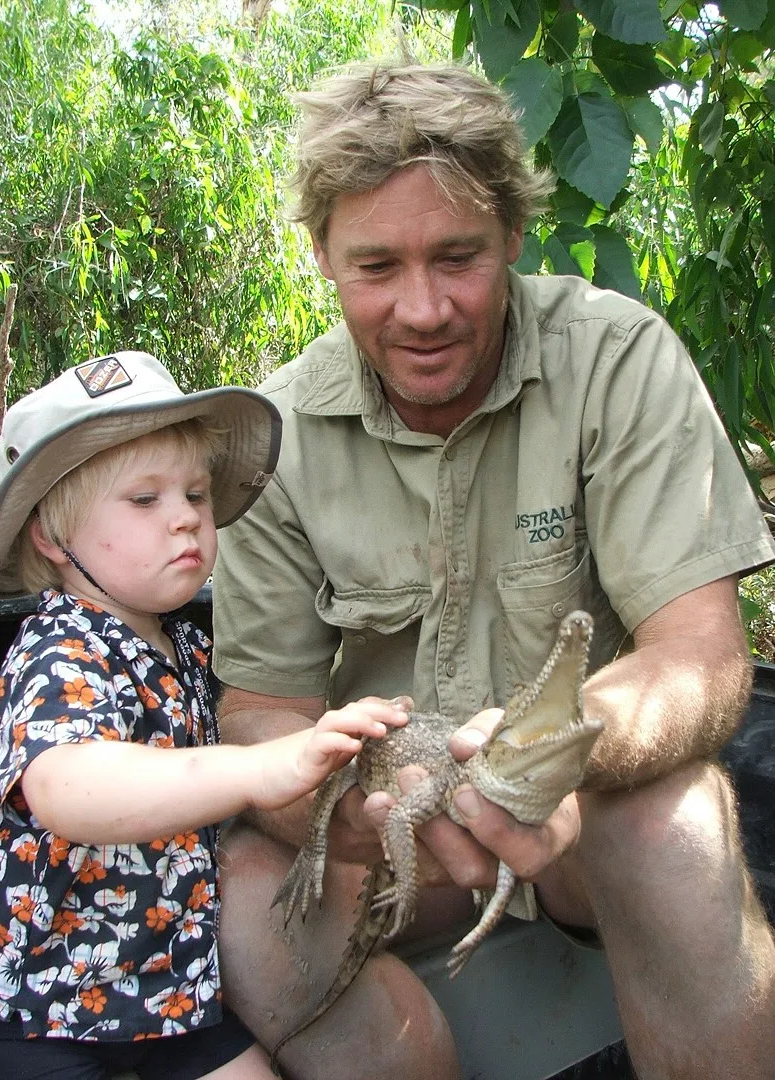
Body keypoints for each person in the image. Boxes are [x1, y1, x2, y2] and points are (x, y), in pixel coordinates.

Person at [208, 61, 775, 1080]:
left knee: (679, 828)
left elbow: (700, 654)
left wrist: (550, 760)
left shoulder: (616, 360)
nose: (422, 310)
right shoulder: (278, 435)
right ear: (324, 256)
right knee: (246, 898)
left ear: (513, 235)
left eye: (458, 257)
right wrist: (370, 806)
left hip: (581, 812)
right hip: (390, 824)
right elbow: (261, 714)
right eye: (376, 267)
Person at [0, 350, 408, 1080]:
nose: (185, 521)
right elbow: (71, 789)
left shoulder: (187, 646)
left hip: (170, 984)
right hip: (48, 1007)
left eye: (196, 496)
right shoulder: (58, 652)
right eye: (145, 501)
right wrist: (258, 768)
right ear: (52, 536)